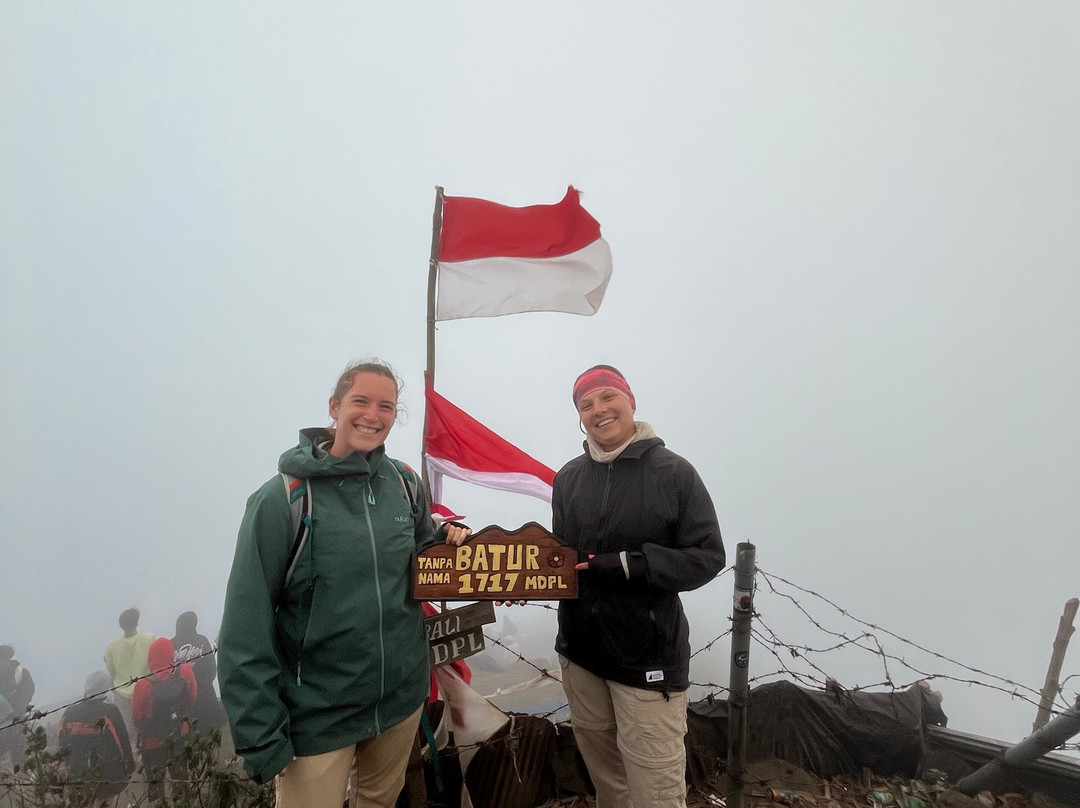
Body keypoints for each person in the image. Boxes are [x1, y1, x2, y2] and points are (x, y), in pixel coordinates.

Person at [217, 358, 470, 808]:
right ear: (334, 407)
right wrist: (258, 734)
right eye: (361, 401)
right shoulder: (283, 499)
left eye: (386, 406)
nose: (373, 415)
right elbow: (244, 625)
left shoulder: (404, 483)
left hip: (399, 703)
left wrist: (453, 544)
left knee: (379, 801)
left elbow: (425, 565)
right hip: (317, 716)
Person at [553, 365, 726, 808]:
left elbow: (707, 556)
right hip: (581, 655)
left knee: (656, 790)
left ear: (630, 401)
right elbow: (560, 558)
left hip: (648, 661)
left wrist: (633, 564)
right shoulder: (568, 478)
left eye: (608, 397)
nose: (599, 410)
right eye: (585, 404)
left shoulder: (674, 472)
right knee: (609, 784)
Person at [132, 637, 197, 803]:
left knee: (156, 785)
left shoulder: (143, 684)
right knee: (181, 779)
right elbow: (192, 698)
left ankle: (160, 804)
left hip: (153, 743)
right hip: (180, 734)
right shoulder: (185, 671)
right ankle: (183, 803)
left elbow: (136, 718)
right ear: (171, 653)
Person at [57, 670, 135, 807]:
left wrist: (64, 765)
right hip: (107, 772)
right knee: (105, 802)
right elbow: (122, 741)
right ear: (105, 688)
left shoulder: (69, 712)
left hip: (76, 772)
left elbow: (62, 742)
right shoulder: (110, 711)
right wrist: (130, 765)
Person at [104, 608, 154, 744]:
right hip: (145, 692)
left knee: (127, 735)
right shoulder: (148, 639)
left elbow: (110, 671)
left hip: (121, 695)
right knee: (148, 733)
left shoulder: (111, 646)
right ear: (136, 622)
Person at [170, 611, 224, 733]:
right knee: (210, 733)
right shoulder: (201, 640)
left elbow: (169, 674)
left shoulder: (171, 644)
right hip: (205, 696)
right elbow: (212, 669)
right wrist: (203, 684)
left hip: (182, 699)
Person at [0, 645, 35, 768]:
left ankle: (20, 778)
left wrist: (18, 714)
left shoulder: (21, 674)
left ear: (9, 658)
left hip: (16, 722)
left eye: (3, 659)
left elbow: (27, 693)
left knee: (19, 757)